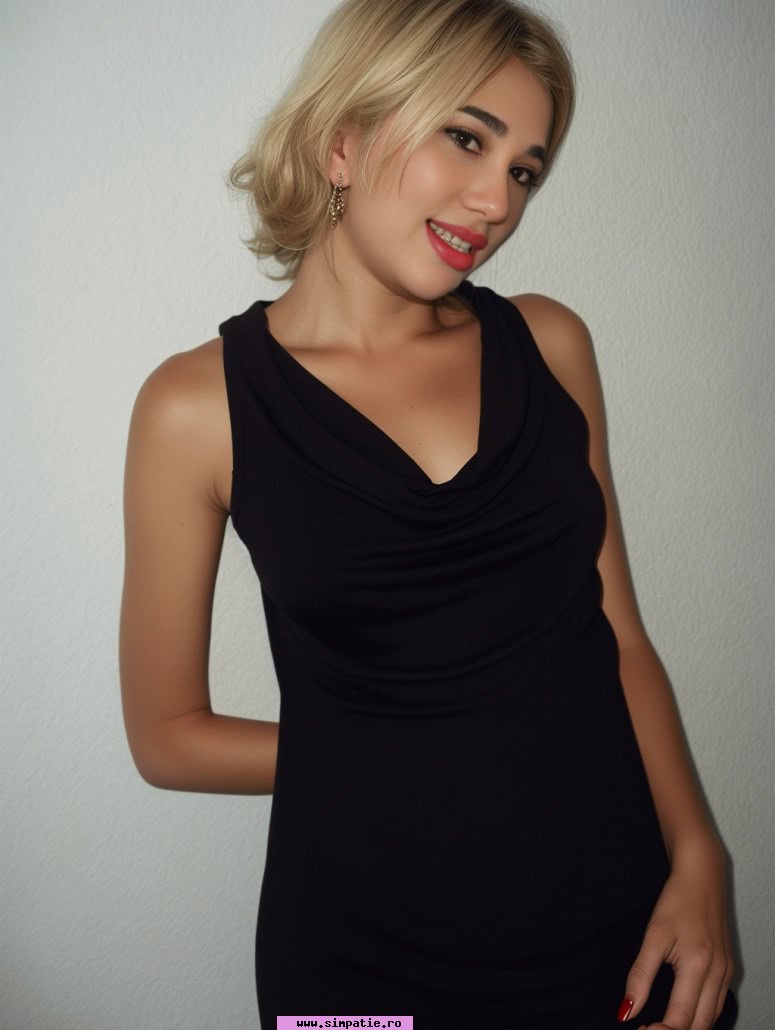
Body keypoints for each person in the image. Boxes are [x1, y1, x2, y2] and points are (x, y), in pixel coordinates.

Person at [119, 1, 738, 1027]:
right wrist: (401, 746)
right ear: (343, 140)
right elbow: (168, 738)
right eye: (465, 137)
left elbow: (618, 636)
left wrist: (699, 854)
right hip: (360, 961)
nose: (496, 201)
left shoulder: (549, 345)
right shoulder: (198, 408)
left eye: (526, 170)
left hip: (617, 922)